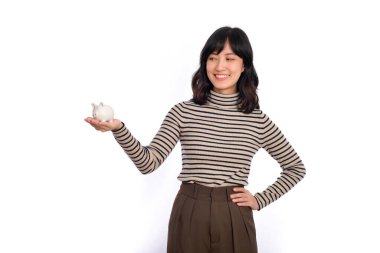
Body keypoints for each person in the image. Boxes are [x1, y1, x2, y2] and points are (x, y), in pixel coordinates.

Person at [85, 26, 306, 253]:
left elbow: (295, 168)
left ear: (244, 65)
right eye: (212, 58)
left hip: (234, 213)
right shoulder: (183, 112)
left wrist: (260, 200)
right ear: (205, 64)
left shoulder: (257, 120)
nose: (220, 66)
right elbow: (148, 163)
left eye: (229, 58)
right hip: (190, 209)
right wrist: (119, 129)